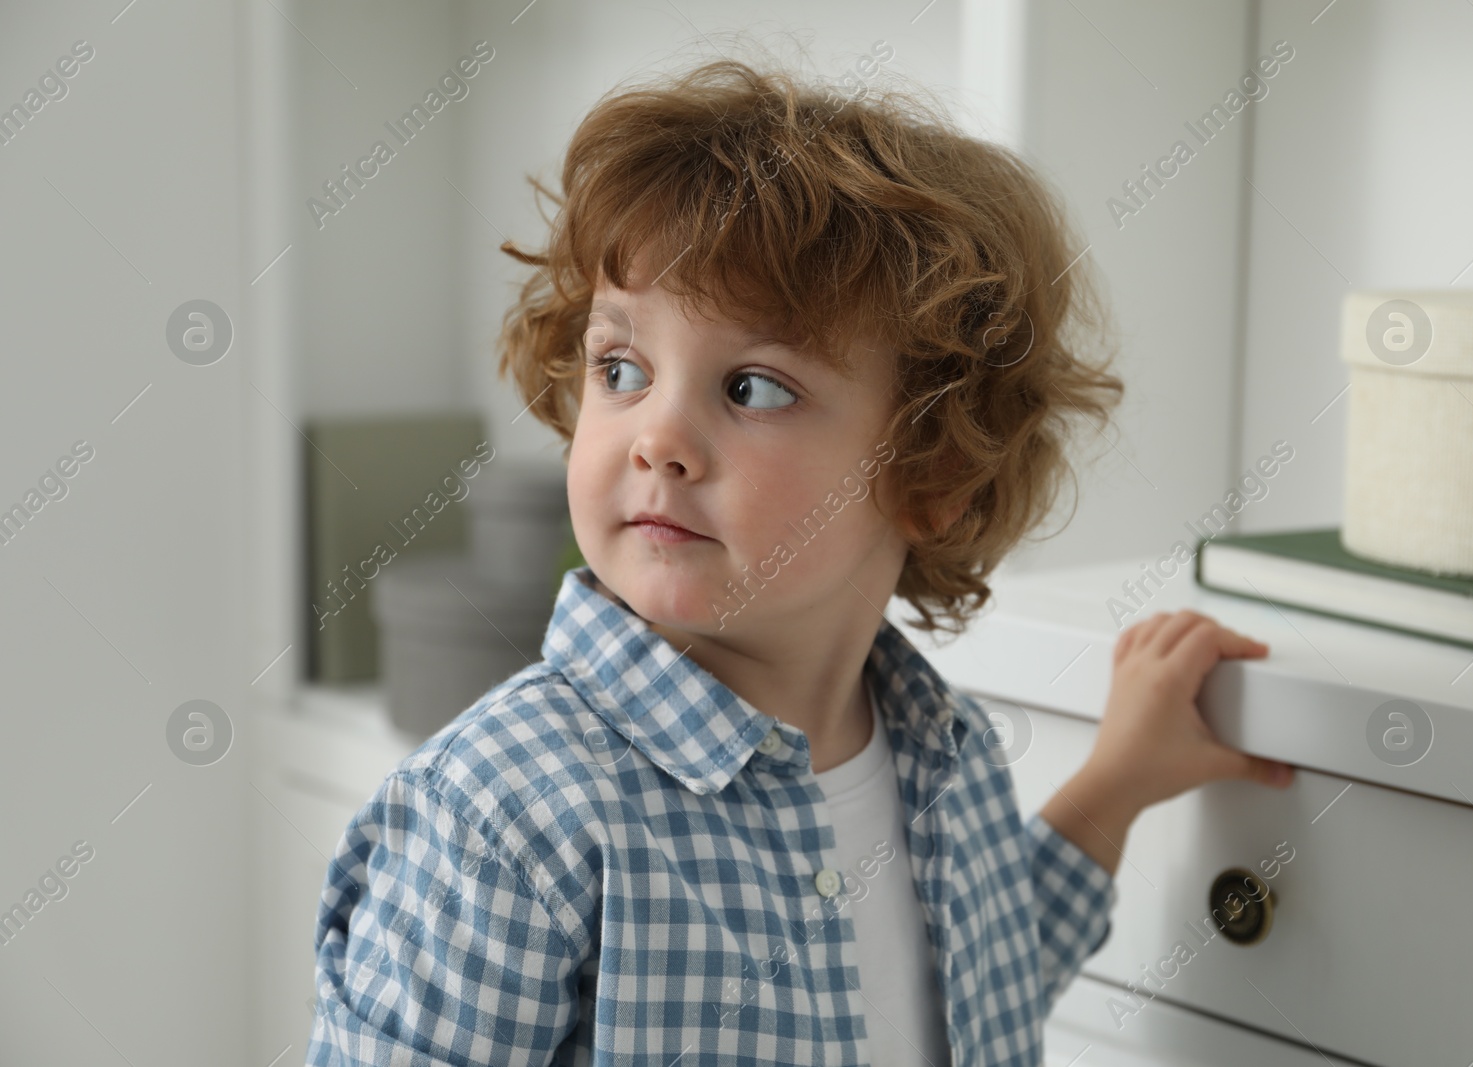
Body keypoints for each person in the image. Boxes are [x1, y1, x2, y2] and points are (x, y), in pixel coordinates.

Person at [304, 51, 1294, 1067]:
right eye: (622, 368)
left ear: (932, 470)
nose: (657, 436)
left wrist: (1117, 782)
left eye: (754, 388)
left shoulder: (946, 761)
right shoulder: (504, 814)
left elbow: (971, 985)